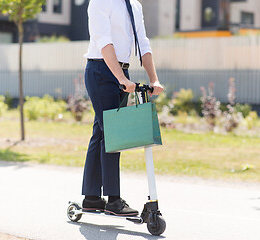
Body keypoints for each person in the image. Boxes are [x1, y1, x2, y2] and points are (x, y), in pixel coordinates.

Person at [81, 0, 164, 216]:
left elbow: (143, 43)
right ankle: (113, 200)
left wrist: (154, 80)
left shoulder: (134, 5)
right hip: (101, 70)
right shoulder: (100, 2)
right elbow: (104, 41)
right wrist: (119, 78)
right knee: (112, 132)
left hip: (122, 72)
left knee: (101, 131)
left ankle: (91, 198)